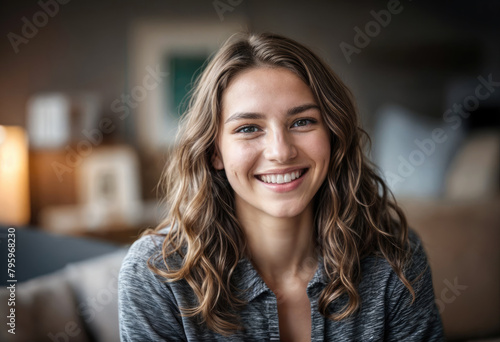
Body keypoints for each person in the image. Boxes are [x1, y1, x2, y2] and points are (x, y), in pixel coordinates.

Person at [118, 32, 444, 342]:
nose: (280, 151)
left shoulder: (394, 259)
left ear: (332, 134)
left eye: (302, 122)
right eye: (248, 128)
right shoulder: (157, 277)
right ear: (215, 151)